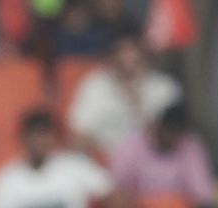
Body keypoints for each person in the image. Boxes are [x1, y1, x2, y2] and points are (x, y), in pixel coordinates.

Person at [0, 110, 111, 208]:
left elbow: (118, 200)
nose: (39, 141)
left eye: (44, 134)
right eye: (34, 135)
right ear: (23, 139)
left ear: (53, 137)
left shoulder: (76, 167)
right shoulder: (4, 180)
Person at [66, 27, 181, 157]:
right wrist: (109, 156)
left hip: (155, 162)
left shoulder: (165, 87)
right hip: (105, 160)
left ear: (144, 55)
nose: (127, 60)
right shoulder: (94, 85)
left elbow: (175, 137)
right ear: (111, 58)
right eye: (121, 53)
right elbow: (77, 135)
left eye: (133, 54)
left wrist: (137, 102)